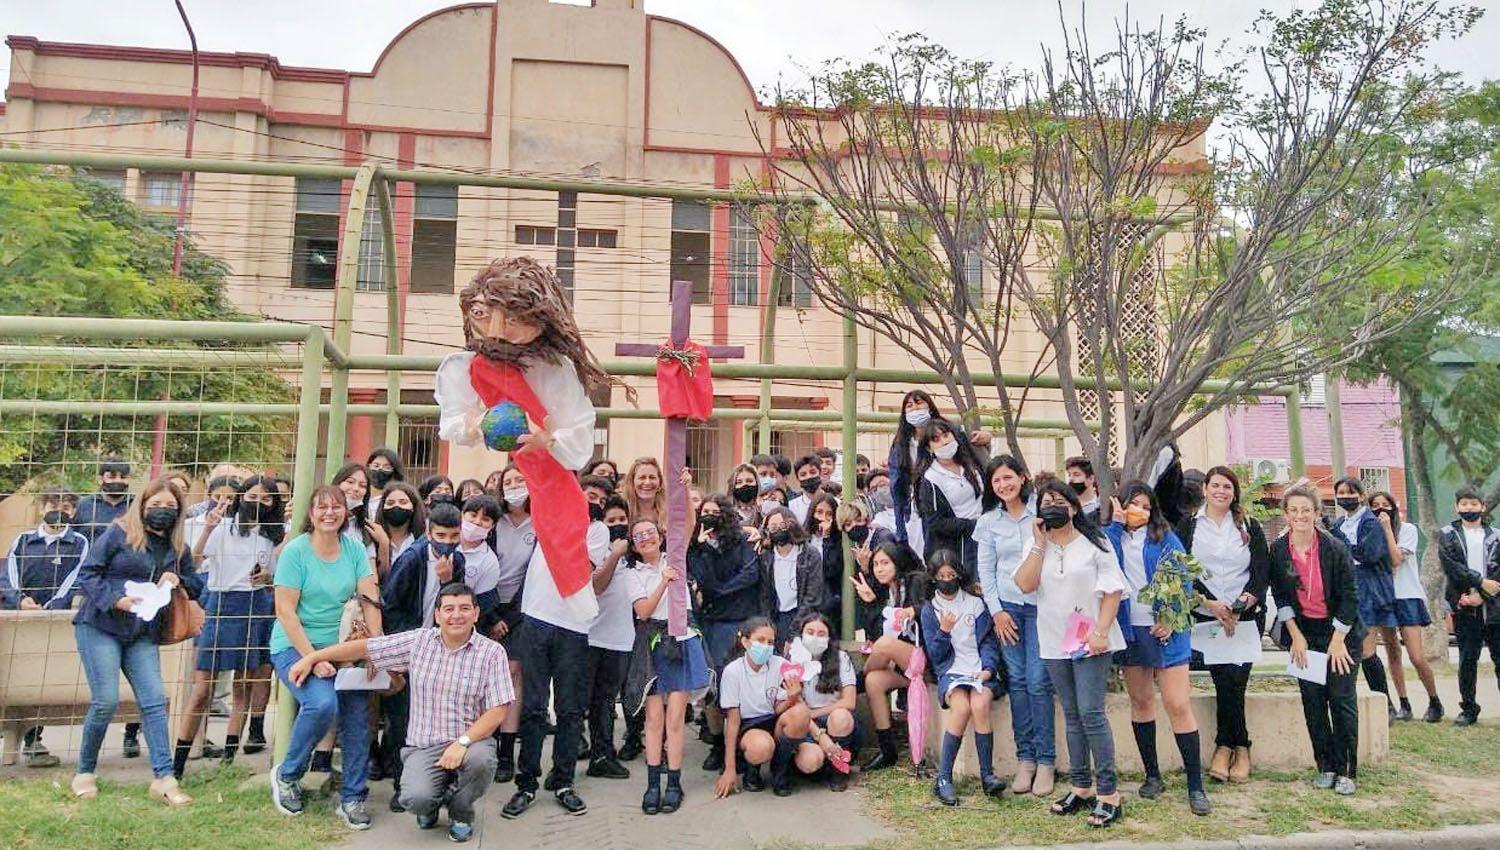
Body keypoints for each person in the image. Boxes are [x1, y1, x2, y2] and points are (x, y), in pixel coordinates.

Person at [286, 582, 514, 843]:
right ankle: (431, 804)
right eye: (448, 609)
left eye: (464, 608)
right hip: (425, 743)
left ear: (476, 613)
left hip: (470, 740)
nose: (456, 615)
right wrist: (312, 658)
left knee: (481, 762)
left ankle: (461, 812)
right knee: (414, 799)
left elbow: (498, 710)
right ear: (437, 615)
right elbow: (364, 648)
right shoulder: (419, 642)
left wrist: (462, 742)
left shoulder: (492, 652)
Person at [70, 477, 204, 806]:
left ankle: (163, 777)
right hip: (101, 624)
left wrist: (179, 579)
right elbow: (87, 574)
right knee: (106, 701)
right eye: (156, 505)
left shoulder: (177, 547)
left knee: (155, 700)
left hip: (142, 632)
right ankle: (84, 772)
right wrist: (116, 599)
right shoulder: (118, 533)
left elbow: (197, 585)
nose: (162, 511)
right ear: (141, 505)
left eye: (170, 506)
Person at [268, 484, 384, 830]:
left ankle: (352, 797)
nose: (329, 513)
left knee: (357, 718)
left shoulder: (354, 549)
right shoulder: (296, 552)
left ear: (346, 511)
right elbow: (285, 613)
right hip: (295, 645)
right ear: (310, 513)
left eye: (336, 507)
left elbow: (369, 599)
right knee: (322, 705)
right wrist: (312, 657)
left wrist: (375, 645)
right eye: (322, 507)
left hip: (344, 648)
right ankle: (288, 775)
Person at [1014, 480, 1128, 829]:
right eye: (1045, 501)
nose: (1052, 506)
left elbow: (1113, 591)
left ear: (1074, 508)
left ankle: (1109, 794)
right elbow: (1024, 584)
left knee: (1092, 713)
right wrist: (1038, 544)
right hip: (1053, 641)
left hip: (1092, 639)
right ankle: (1081, 787)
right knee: (1072, 715)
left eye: (1059, 501)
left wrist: (1100, 632)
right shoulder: (1037, 545)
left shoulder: (1096, 542)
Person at [1105, 482, 1209, 815]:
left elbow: (1184, 577)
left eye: (1146, 506)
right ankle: (1153, 775)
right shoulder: (1110, 537)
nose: (1140, 511)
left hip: (1167, 627)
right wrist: (1116, 524)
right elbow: (1102, 566)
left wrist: (1169, 615)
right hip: (1130, 629)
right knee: (1141, 700)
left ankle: (1196, 786)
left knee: (1178, 704)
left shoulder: (1165, 537)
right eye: (1133, 504)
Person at [175, 474, 283, 777]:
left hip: (256, 604)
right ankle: (178, 762)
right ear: (241, 497)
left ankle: (229, 758)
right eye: (251, 497)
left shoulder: (272, 534)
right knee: (203, 688)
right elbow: (194, 564)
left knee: (243, 686)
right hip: (222, 603)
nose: (257, 503)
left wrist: (267, 578)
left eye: (266, 499)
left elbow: (273, 574)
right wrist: (208, 529)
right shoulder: (221, 526)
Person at [1175, 467, 1271, 784]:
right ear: (1204, 489)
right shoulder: (1189, 526)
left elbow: (1261, 572)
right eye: (1215, 485)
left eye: (1227, 486)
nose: (1221, 491)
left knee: (1237, 681)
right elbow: (1183, 571)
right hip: (1208, 617)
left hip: (1244, 618)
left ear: (1234, 492)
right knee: (1223, 681)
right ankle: (1236, 746)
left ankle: (1229, 746)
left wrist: (1241, 606)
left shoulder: (1249, 526)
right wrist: (1211, 605)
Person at [1270, 485, 1363, 796]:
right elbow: (1282, 597)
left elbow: (1350, 598)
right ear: (1286, 514)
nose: (1300, 516)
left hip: (1340, 632)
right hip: (1305, 633)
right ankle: (1325, 765)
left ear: (1316, 513)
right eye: (1294, 510)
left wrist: (1338, 641)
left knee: (1341, 700)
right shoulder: (1279, 549)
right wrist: (1296, 637)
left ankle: (1347, 770)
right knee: (1313, 702)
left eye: (1306, 510)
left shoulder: (1335, 548)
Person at [973, 455, 1056, 796]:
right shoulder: (989, 521)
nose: (1004, 485)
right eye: (996, 481)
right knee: (1019, 681)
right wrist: (996, 612)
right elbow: (987, 572)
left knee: (1038, 682)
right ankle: (1027, 760)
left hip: (1042, 607)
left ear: (1022, 478)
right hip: (1007, 610)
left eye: (1008, 478)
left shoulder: (1044, 511)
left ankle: (1047, 761)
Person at [621, 518, 712, 814]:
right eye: (638, 535)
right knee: (654, 720)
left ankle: (674, 783)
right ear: (633, 544)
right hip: (652, 643)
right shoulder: (632, 573)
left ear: (660, 536)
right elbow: (643, 611)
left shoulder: (675, 557)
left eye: (650, 532)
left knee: (675, 719)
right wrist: (664, 580)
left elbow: (686, 520)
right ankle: (652, 784)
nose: (645, 538)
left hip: (681, 637)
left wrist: (684, 487)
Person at [2, 488, 88, 768]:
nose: (59, 510)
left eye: (66, 506)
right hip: (18, 619)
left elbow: (76, 578)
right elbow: (8, 576)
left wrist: (51, 607)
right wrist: (20, 601)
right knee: (13, 678)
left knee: (43, 681)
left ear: (73, 512)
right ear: (42, 508)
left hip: (53, 621)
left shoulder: (79, 543)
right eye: (53, 504)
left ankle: (33, 740)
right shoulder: (23, 540)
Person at [920, 549, 1006, 805]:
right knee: (961, 708)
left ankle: (987, 775)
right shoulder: (929, 610)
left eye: (952, 574)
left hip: (979, 668)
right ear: (934, 577)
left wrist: (989, 669)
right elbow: (935, 655)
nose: (947, 579)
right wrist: (944, 631)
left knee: (980, 704)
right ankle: (944, 778)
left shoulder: (975, 603)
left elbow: (988, 642)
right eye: (942, 575)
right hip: (952, 671)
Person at [689, 493, 764, 773]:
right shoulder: (699, 547)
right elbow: (700, 579)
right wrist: (701, 549)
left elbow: (750, 574)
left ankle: (743, 744)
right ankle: (718, 744)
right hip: (712, 623)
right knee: (714, 686)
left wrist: (720, 591)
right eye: (704, 511)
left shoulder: (744, 541)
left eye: (714, 511)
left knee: (739, 686)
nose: (709, 516)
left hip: (739, 620)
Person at [852, 539, 927, 771]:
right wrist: (871, 602)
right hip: (904, 665)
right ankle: (887, 750)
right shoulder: (886, 590)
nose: (879, 569)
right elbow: (879, 631)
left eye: (885, 562)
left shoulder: (916, 580)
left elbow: (935, 606)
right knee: (875, 681)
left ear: (897, 561)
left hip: (926, 658)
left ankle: (855, 682)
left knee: (883, 645)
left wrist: (914, 610)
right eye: (875, 564)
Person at [1368, 491, 1442, 723]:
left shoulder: (1408, 530)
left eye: (1385, 504)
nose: (1381, 509)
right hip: (1383, 597)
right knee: (1392, 652)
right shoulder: (1368, 533)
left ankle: (1434, 700)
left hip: (1407, 596)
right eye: (1375, 506)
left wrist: (1388, 530)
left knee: (1416, 656)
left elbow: (1396, 560)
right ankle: (1404, 703)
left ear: (1394, 507)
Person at [713, 618, 806, 798]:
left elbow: (778, 709)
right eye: (760, 640)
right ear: (745, 641)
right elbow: (732, 721)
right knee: (761, 746)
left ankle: (781, 770)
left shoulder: (780, 665)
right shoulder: (733, 671)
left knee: (801, 712)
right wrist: (729, 768)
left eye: (770, 642)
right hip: (748, 725)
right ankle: (751, 772)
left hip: (773, 719)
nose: (766, 646)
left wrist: (793, 697)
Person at [1330, 478, 1397, 718]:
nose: (1345, 497)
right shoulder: (1338, 523)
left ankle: (1386, 704)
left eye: (1350, 492)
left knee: (1367, 650)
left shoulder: (1372, 522)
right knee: (1350, 648)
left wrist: (1345, 546)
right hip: (1346, 590)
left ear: (1360, 495)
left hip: (1368, 591)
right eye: (1340, 493)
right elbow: (1336, 556)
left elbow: (1370, 554)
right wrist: (1348, 549)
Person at [1438, 486, 1500, 727]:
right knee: (1467, 661)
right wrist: (1478, 583)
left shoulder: (1496, 535)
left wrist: (1482, 593)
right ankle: (1469, 708)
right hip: (1464, 605)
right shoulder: (1448, 534)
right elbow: (1452, 567)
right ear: (1456, 507)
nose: (1469, 508)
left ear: (1483, 507)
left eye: (1474, 504)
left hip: (1494, 607)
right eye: (1464, 504)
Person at [583, 494, 634, 779]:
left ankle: (603, 754)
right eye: (610, 520)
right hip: (592, 636)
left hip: (620, 637)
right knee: (586, 701)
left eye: (621, 520)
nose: (617, 525)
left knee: (606, 700)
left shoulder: (635, 551)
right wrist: (614, 554)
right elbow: (597, 586)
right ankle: (584, 750)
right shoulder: (599, 550)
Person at [489, 464, 534, 780]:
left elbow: (534, 573)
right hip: (487, 608)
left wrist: (510, 616)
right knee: (486, 677)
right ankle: (484, 741)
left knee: (514, 675)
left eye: (521, 480)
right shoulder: (492, 523)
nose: (515, 485)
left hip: (520, 610)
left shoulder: (540, 522)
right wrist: (491, 615)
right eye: (509, 481)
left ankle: (507, 749)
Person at [785, 611, 858, 791]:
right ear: (801, 634)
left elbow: (849, 701)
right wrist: (820, 735)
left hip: (832, 720)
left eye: (821, 634)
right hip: (804, 723)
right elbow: (795, 705)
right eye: (810, 632)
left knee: (841, 716)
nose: (815, 638)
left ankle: (838, 770)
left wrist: (816, 713)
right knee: (810, 763)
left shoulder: (840, 658)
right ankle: (814, 763)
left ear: (829, 637)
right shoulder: (790, 661)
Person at [915, 419, 984, 569]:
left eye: (946, 435)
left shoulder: (970, 464)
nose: (944, 442)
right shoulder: (930, 479)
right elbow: (935, 523)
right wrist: (971, 525)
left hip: (982, 537)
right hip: (957, 548)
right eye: (936, 440)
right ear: (929, 447)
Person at [759, 506, 828, 641]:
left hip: (802, 617)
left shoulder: (809, 554)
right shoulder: (766, 556)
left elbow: (812, 597)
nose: (778, 530)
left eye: (782, 525)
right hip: (776, 617)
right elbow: (765, 595)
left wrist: (794, 633)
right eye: (773, 527)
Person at [332, 462, 390, 579]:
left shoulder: (363, 528)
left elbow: (371, 573)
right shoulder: (318, 519)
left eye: (362, 485)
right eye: (350, 482)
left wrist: (384, 543)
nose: (356, 489)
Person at [805, 492, 845, 625]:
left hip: (828, 601)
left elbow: (831, 569)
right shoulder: (805, 538)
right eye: (819, 512)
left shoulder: (838, 541)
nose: (824, 518)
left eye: (829, 514)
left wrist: (826, 538)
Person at [74, 456, 133, 544]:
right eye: (112, 477)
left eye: (123, 477)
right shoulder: (83, 505)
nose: (118, 481)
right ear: (100, 479)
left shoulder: (137, 505)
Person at [375, 482, 425, 565]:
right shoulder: (372, 539)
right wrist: (383, 544)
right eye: (390, 503)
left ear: (413, 507)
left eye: (403, 502)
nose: (396, 506)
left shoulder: (423, 539)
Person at [623, 457, 667, 523]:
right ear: (632, 482)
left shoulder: (670, 513)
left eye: (652, 477)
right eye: (642, 477)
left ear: (660, 483)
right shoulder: (623, 512)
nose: (647, 482)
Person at [364, 447, 406, 513]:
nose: (380, 469)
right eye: (376, 466)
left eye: (387, 467)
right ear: (369, 466)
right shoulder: (360, 495)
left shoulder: (398, 499)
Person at [788, 455, 822, 525]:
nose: (809, 477)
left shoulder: (835, 503)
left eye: (812, 472)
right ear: (798, 479)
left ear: (820, 473)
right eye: (803, 475)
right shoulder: (791, 507)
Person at [1064, 456, 1101, 521]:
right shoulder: (1066, 505)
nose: (1071, 479)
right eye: (1069, 475)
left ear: (1091, 479)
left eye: (1076, 475)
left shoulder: (1102, 505)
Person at [727, 463, 762, 528]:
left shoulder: (763, 513)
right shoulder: (726, 515)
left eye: (749, 481)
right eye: (739, 482)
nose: (745, 485)